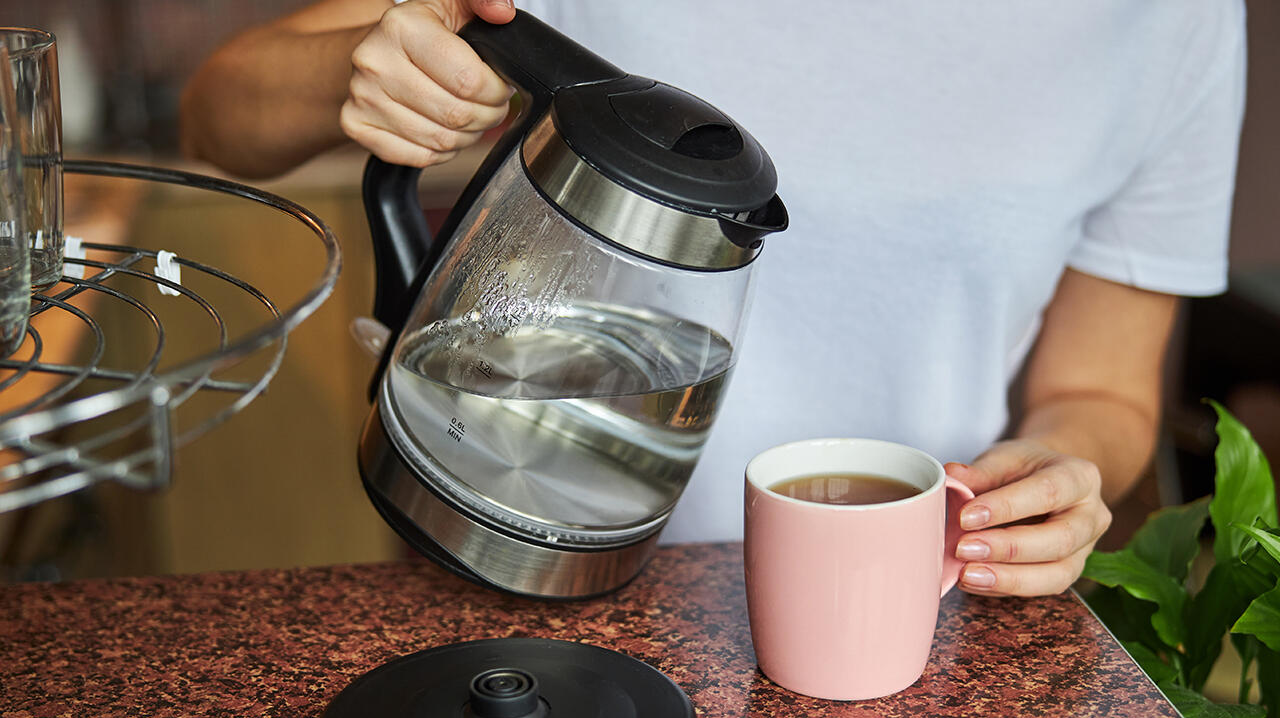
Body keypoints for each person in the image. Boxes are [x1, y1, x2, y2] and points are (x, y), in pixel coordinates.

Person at [180, 0, 1247, 598]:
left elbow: (1099, 388)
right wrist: (356, 73)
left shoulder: (1169, 22)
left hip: (904, 608)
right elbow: (219, 117)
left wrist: (1056, 474)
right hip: (500, 555)